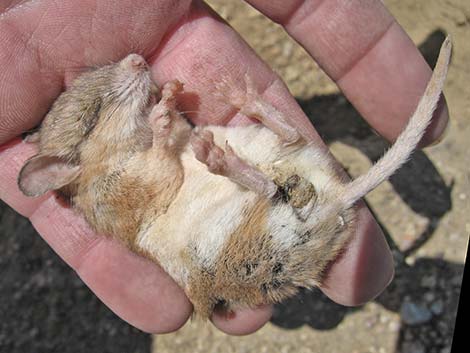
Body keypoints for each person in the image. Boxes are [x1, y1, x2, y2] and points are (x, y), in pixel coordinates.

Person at [0, 0, 448, 335]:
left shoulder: (124, 151)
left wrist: (163, 131)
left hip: (270, 208)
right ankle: (259, 183)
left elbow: (168, 163)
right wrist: (162, 140)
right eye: (101, 106)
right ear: (69, 168)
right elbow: (161, 182)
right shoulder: (103, 194)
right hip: (254, 243)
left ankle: (261, 179)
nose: (133, 64)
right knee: (239, 214)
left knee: (261, 157)